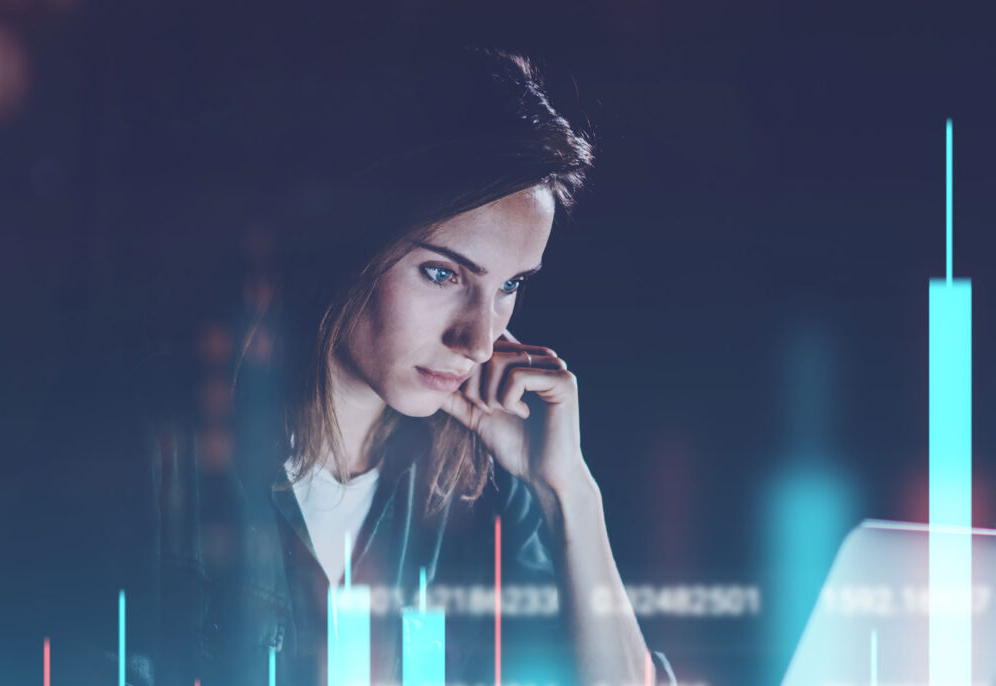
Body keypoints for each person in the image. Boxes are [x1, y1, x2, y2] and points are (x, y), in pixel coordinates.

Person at [73, 46, 676, 686]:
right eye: (443, 273)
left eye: (510, 286)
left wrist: (569, 496)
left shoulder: (488, 488)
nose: (478, 337)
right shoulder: (163, 459)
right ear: (352, 241)